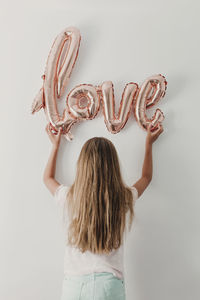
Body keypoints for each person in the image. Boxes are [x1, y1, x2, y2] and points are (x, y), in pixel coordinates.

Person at [43, 122, 164, 300]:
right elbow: (146, 177)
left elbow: (47, 178)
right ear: (113, 167)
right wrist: (149, 143)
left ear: (82, 166)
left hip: (75, 286)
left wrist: (55, 145)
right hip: (109, 285)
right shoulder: (122, 198)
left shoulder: (69, 198)